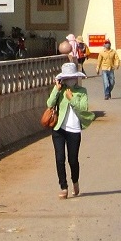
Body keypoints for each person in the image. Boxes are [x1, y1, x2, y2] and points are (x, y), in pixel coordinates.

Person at [47, 61, 93, 199]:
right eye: (67, 78)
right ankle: (63, 187)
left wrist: (71, 99)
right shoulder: (60, 89)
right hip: (59, 129)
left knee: (73, 160)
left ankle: (75, 181)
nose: (69, 80)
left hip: (74, 130)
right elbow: (49, 104)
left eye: (72, 77)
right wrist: (57, 89)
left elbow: (83, 109)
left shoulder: (82, 92)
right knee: (59, 158)